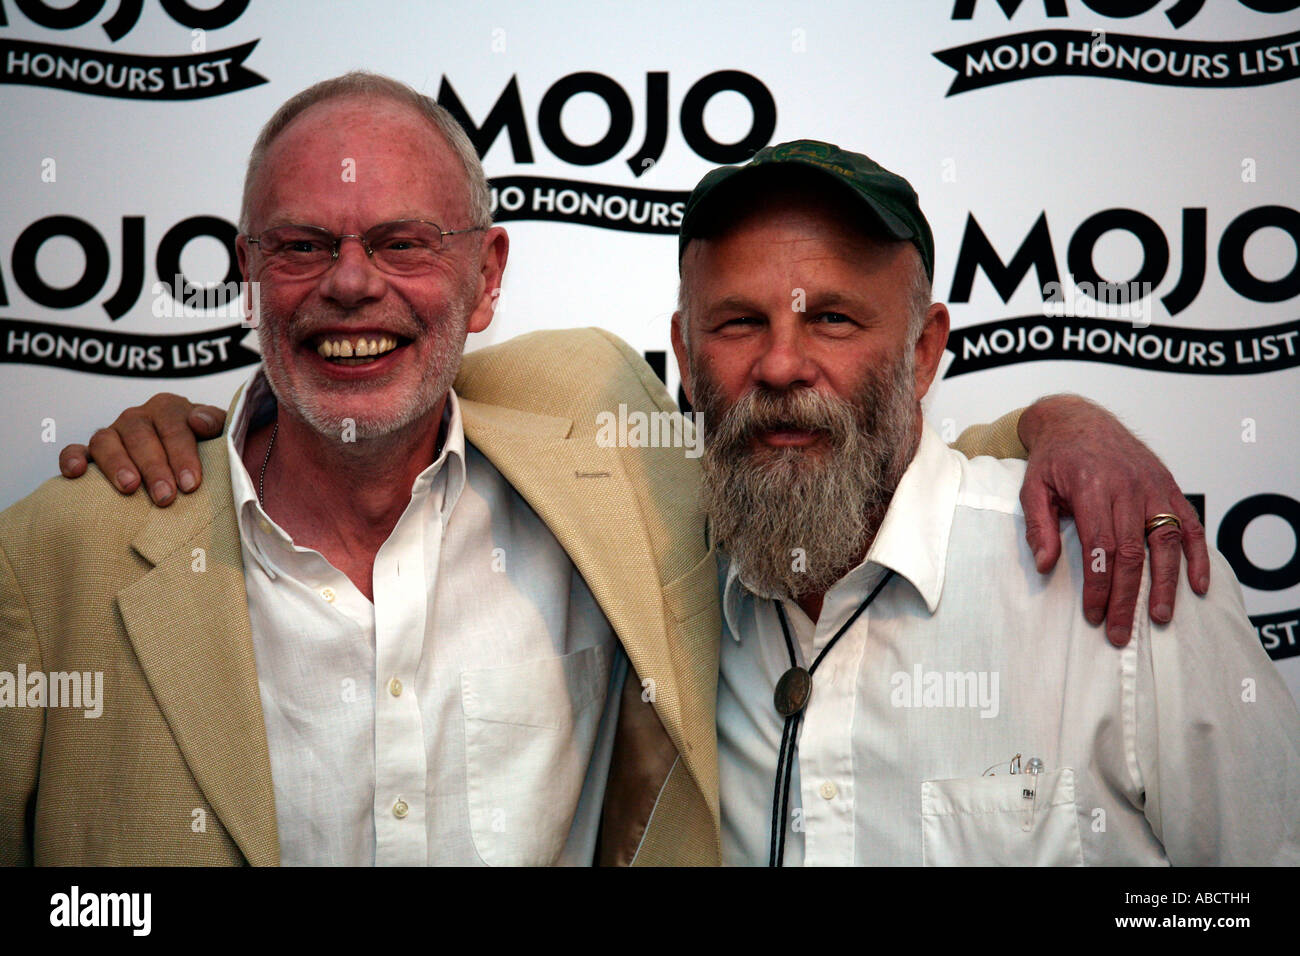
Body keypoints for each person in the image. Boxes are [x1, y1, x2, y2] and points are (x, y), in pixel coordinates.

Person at [9, 72, 1204, 867]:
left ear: (486, 278)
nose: (352, 283)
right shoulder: (60, 551)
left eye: (404, 242)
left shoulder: (594, 445)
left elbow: (841, 442)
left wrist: (1065, 421)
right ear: (250, 272)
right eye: (305, 245)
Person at [665, 140, 1300, 865]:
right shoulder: (660, 603)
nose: (781, 364)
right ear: (685, 361)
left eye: (833, 319)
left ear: (923, 352)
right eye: (739, 322)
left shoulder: (1120, 580)